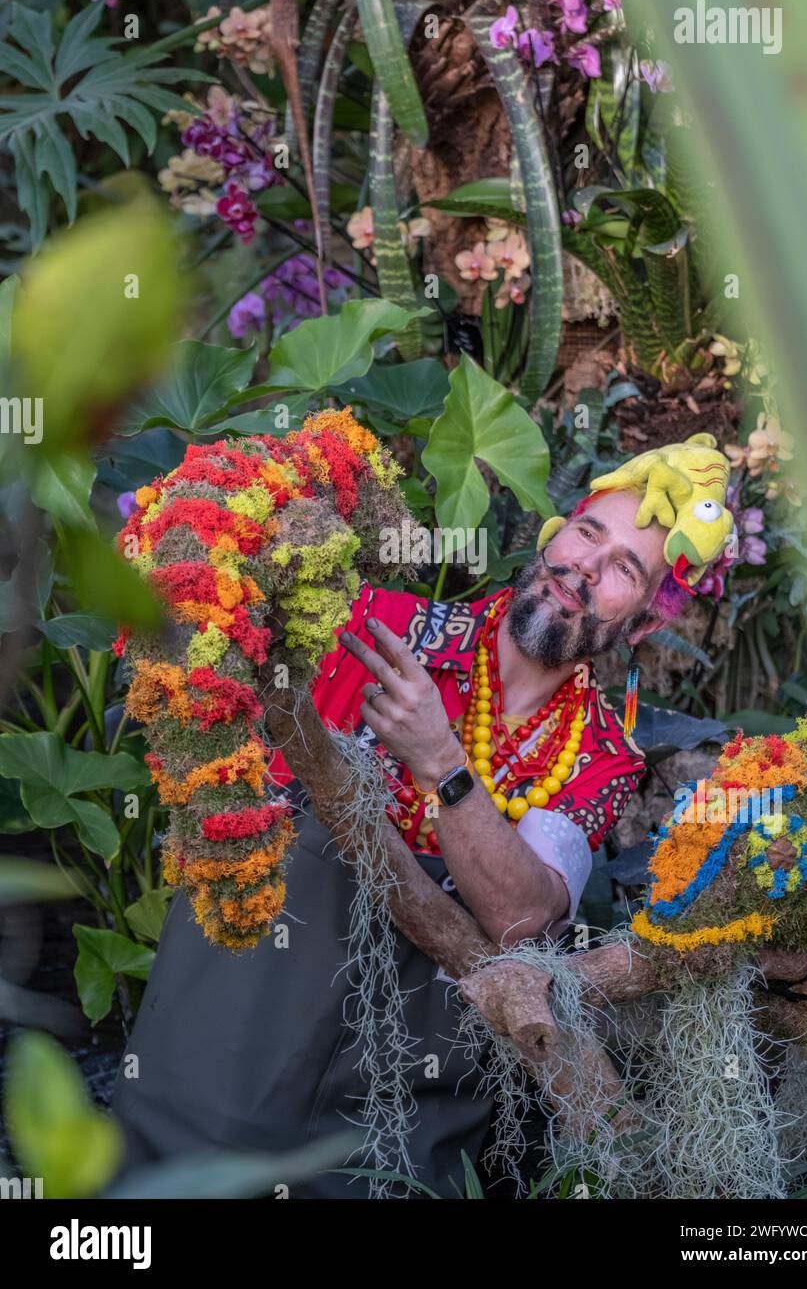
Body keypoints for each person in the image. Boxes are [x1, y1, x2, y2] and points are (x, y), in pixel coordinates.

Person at [109, 482, 692, 1198]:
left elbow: (525, 919)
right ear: (551, 539)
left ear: (639, 626)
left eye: (627, 569)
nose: (588, 567)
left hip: (406, 1087)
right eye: (586, 533)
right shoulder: (376, 625)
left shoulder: (602, 754)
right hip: (237, 1022)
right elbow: (204, 632)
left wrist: (443, 763)